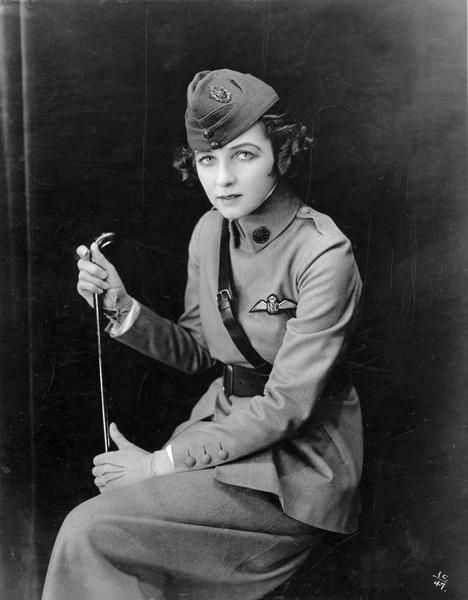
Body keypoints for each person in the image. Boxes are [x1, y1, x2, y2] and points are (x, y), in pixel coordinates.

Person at [42, 69, 363, 600]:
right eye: (208, 160)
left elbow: (287, 405)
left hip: (297, 469)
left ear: (281, 154)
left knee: (92, 529)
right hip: (222, 435)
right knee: (103, 530)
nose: (223, 179)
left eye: (244, 155)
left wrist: (157, 464)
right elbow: (197, 351)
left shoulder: (324, 253)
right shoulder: (210, 230)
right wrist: (121, 306)